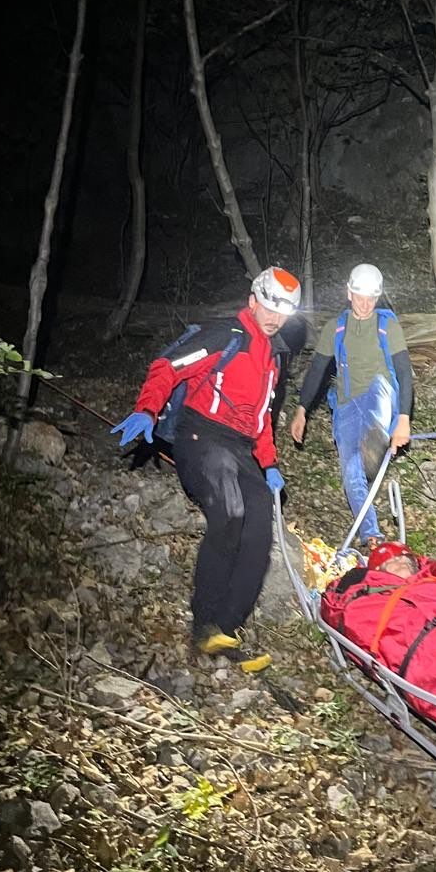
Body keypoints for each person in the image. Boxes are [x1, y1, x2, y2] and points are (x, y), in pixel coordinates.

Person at [109, 266, 301, 662]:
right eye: (269, 306)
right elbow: (168, 367)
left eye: (283, 312)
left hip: (242, 448)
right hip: (202, 436)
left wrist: (269, 465)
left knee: (259, 529)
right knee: (230, 514)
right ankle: (203, 624)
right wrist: (147, 409)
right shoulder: (225, 336)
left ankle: (226, 630)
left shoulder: (274, 358)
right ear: (253, 300)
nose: (274, 317)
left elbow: (262, 417)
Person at [289, 263, 413, 548]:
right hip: (346, 405)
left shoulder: (387, 324)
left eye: (371, 297)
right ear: (349, 293)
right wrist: (301, 410)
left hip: (379, 397)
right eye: (360, 296)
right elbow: (318, 368)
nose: (365, 303)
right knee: (351, 471)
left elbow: (404, 372)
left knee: (379, 388)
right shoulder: (336, 328)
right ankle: (371, 534)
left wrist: (404, 418)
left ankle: (377, 437)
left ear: (378, 297)